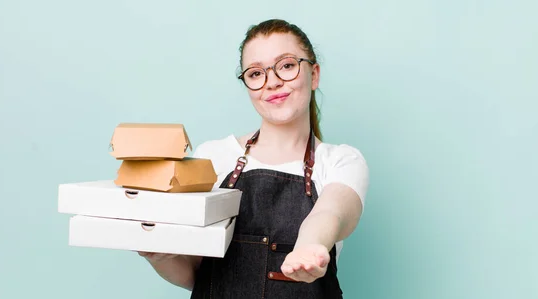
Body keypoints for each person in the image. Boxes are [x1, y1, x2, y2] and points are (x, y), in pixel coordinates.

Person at [138, 18, 369, 298]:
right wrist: (160, 255)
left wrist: (311, 246)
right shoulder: (212, 157)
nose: (271, 82)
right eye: (256, 73)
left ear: (314, 74)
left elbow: (331, 212)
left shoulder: (340, 161)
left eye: (286, 65)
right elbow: (199, 275)